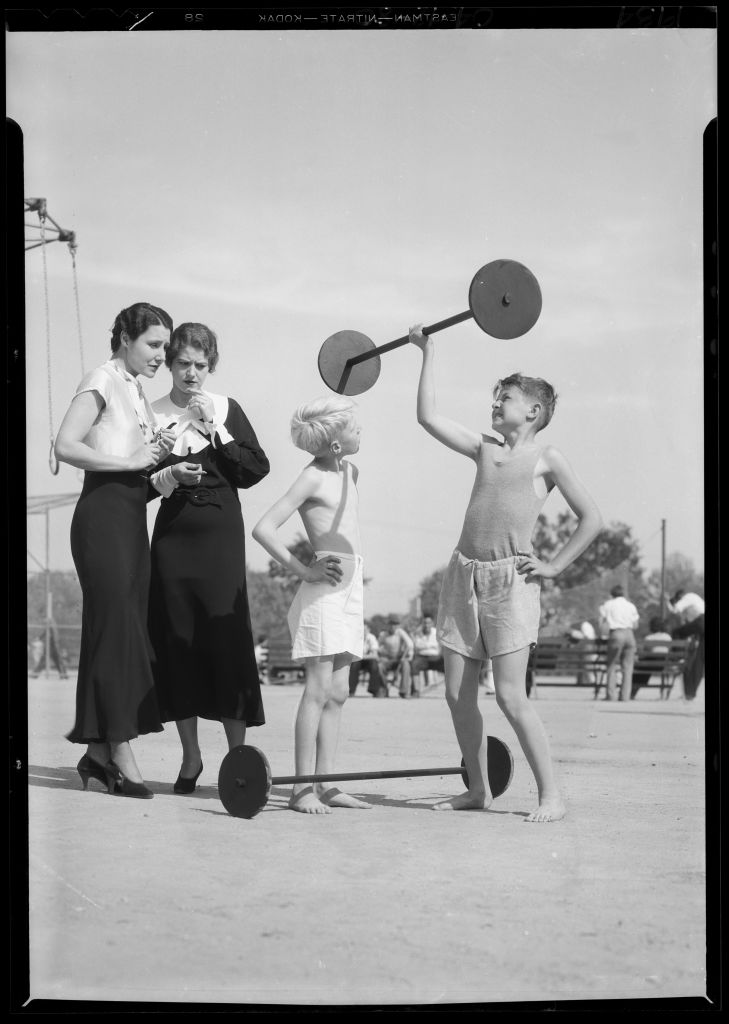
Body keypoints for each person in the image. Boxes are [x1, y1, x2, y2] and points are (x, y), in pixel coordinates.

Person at [410, 326, 603, 821]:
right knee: (457, 695)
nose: (496, 404)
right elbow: (427, 416)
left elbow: (592, 519)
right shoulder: (484, 448)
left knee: (512, 697)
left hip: (510, 583)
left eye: (506, 399)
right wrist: (428, 352)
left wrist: (556, 565)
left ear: (534, 412)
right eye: (497, 398)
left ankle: (551, 796)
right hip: (463, 575)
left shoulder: (547, 458)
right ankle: (478, 789)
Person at [54, 301, 176, 799]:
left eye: (165, 347)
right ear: (125, 337)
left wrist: (165, 470)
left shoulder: (136, 392)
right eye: (154, 344)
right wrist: (129, 461)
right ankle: (119, 750)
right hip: (102, 518)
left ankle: (98, 756)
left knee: (121, 633)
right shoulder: (101, 378)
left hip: (130, 517)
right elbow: (64, 445)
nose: (161, 356)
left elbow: (137, 471)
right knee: (118, 633)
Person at [147, 323, 270, 793]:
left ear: (211, 366)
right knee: (177, 640)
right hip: (173, 541)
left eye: (201, 365)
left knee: (225, 636)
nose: (192, 373)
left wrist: (214, 427)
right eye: (183, 363)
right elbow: (138, 483)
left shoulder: (226, 408)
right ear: (171, 365)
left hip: (220, 539)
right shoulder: (153, 413)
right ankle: (191, 756)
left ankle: (237, 757)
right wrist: (168, 475)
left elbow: (255, 469)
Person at [252, 396, 371, 814]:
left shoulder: (351, 471)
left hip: (351, 588)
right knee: (318, 690)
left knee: (339, 692)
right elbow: (264, 528)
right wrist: (304, 570)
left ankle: (328, 783)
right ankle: (302, 788)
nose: (361, 430)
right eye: (353, 427)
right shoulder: (311, 478)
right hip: (324, 589)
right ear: (335, 445)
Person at [598, 584, 640, 701]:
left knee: (611, 665)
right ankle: (625, 696)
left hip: (616, 634)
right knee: (628, 667)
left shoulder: (608, 605)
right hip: (630, 635)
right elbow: (635, 625)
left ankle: (611, 695)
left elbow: (601, 623)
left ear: (612, 594)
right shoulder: (630, 605)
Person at [668, 589, 705, 701]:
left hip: (702, 622)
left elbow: (675, 610)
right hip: (701, 627)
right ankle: (690, 694)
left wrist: (667, 602)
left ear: (680, 597)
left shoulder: (688, 597)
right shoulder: (697, 600)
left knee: (676, 632)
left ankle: (677, 657)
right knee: (699, 662)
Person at [630, 617, 673, 699]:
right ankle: (633, 691)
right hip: (662, 665)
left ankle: (632, 691)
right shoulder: (668, 637)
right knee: (646, 665)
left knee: (641, 668)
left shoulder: (649, 638)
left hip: (649, 665)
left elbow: (645, 652)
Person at [379, 616, 415, 698]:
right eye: (391, 624)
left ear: (398, 626)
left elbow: (410, 644)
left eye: (395, 625)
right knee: (379, 666)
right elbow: (378, 647)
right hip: (387, 659)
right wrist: (381, 653)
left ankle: (404, 691)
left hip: (399, 658)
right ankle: (384, 689)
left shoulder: (400, 632)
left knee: (406, 665)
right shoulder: (383, 634)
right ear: (388, 625)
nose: (393, 627)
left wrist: (404, 656)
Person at [348, 622, 387, 697]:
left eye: (364, 630)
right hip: (357, 660)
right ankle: (351, 690)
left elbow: (375, 655)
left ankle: (374, 690)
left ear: (368, 630)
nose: (363, 631)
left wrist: (362, 656)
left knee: (374, 664)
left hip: (366, 660)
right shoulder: (354, 638)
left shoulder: (371, 638)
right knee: (355, 664)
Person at [410, 613, 444, 693]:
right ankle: (416, 690)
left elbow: (441, 645)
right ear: (422, 623)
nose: (426, 625)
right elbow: (417, 646)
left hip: (435, 658)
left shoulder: (437, 632)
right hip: (421, 658)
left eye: (429, 623)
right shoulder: (418, 633)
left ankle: (453, 690)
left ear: (432, 623)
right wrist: (431, 646)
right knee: (414, 665)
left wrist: (425, 645)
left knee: (448, 666)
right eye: (425, 623)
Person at [566, 618, 598, 688]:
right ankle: (584, 681)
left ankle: (590, 681)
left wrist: (574, 634)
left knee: (587, 665)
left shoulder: (585, 625)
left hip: (588, 646)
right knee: (585, 665)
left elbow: (586, 637)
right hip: (589, 646)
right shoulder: (586, 625)